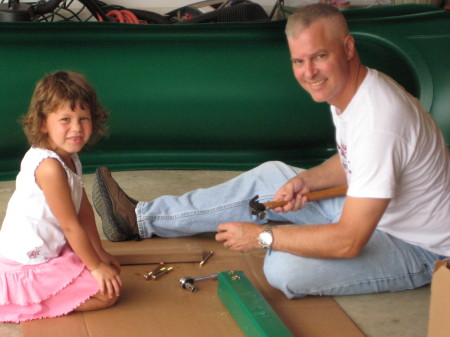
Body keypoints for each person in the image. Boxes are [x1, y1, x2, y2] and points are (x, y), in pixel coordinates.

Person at [93, 4, 449, 299]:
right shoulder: (350, 91)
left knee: (284, 268)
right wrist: (307, 180)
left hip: (417, 244)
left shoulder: (378, 122)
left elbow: (349, 240)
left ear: (349, 48)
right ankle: (138, 219)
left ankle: (281, 237)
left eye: (320, 56)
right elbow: (350, 159)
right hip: (378, 214)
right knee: (273, 177)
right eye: (299, 61)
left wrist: (263, 237)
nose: (309, 72)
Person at [0, 71, 122, 323]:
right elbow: (70, 225)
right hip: (28, 263)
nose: (76, 128)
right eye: (65, 119)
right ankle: (27, 304)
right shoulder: (49, 167)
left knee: (107, 272)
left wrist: (98, 252)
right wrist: (96, 267)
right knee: (107, 295)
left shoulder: (69, 156)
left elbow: (83, 207)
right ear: (43, 123)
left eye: (84, 118)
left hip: (53, 246)